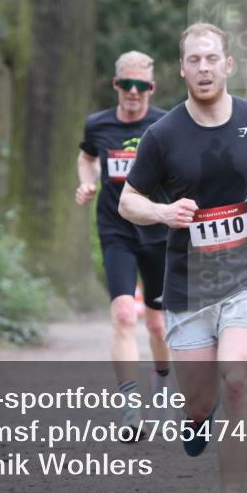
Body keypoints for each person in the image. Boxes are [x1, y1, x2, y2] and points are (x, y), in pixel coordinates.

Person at [119, 24, 247, 493]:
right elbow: (128, 201)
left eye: (211, 59)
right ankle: (196, 419)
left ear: (227, 65)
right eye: (193, 60)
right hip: (187, 283)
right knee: (200, 398)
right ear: (181, 69)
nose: (203, 68)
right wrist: (162, 214)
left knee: (239, 378)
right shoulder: (162, 136)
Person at [76, 51, 171, 436]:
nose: (134, 92)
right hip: (115, 229)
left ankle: (162, 383)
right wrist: (87, 181)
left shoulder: (164, 124)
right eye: (126, 84)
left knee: (159, 326)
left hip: (157, 230)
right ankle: (130, 407)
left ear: (151, 87)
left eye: (141, 86)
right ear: (116, 85)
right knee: (121, 315)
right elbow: (86, 156)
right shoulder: (97, 124)